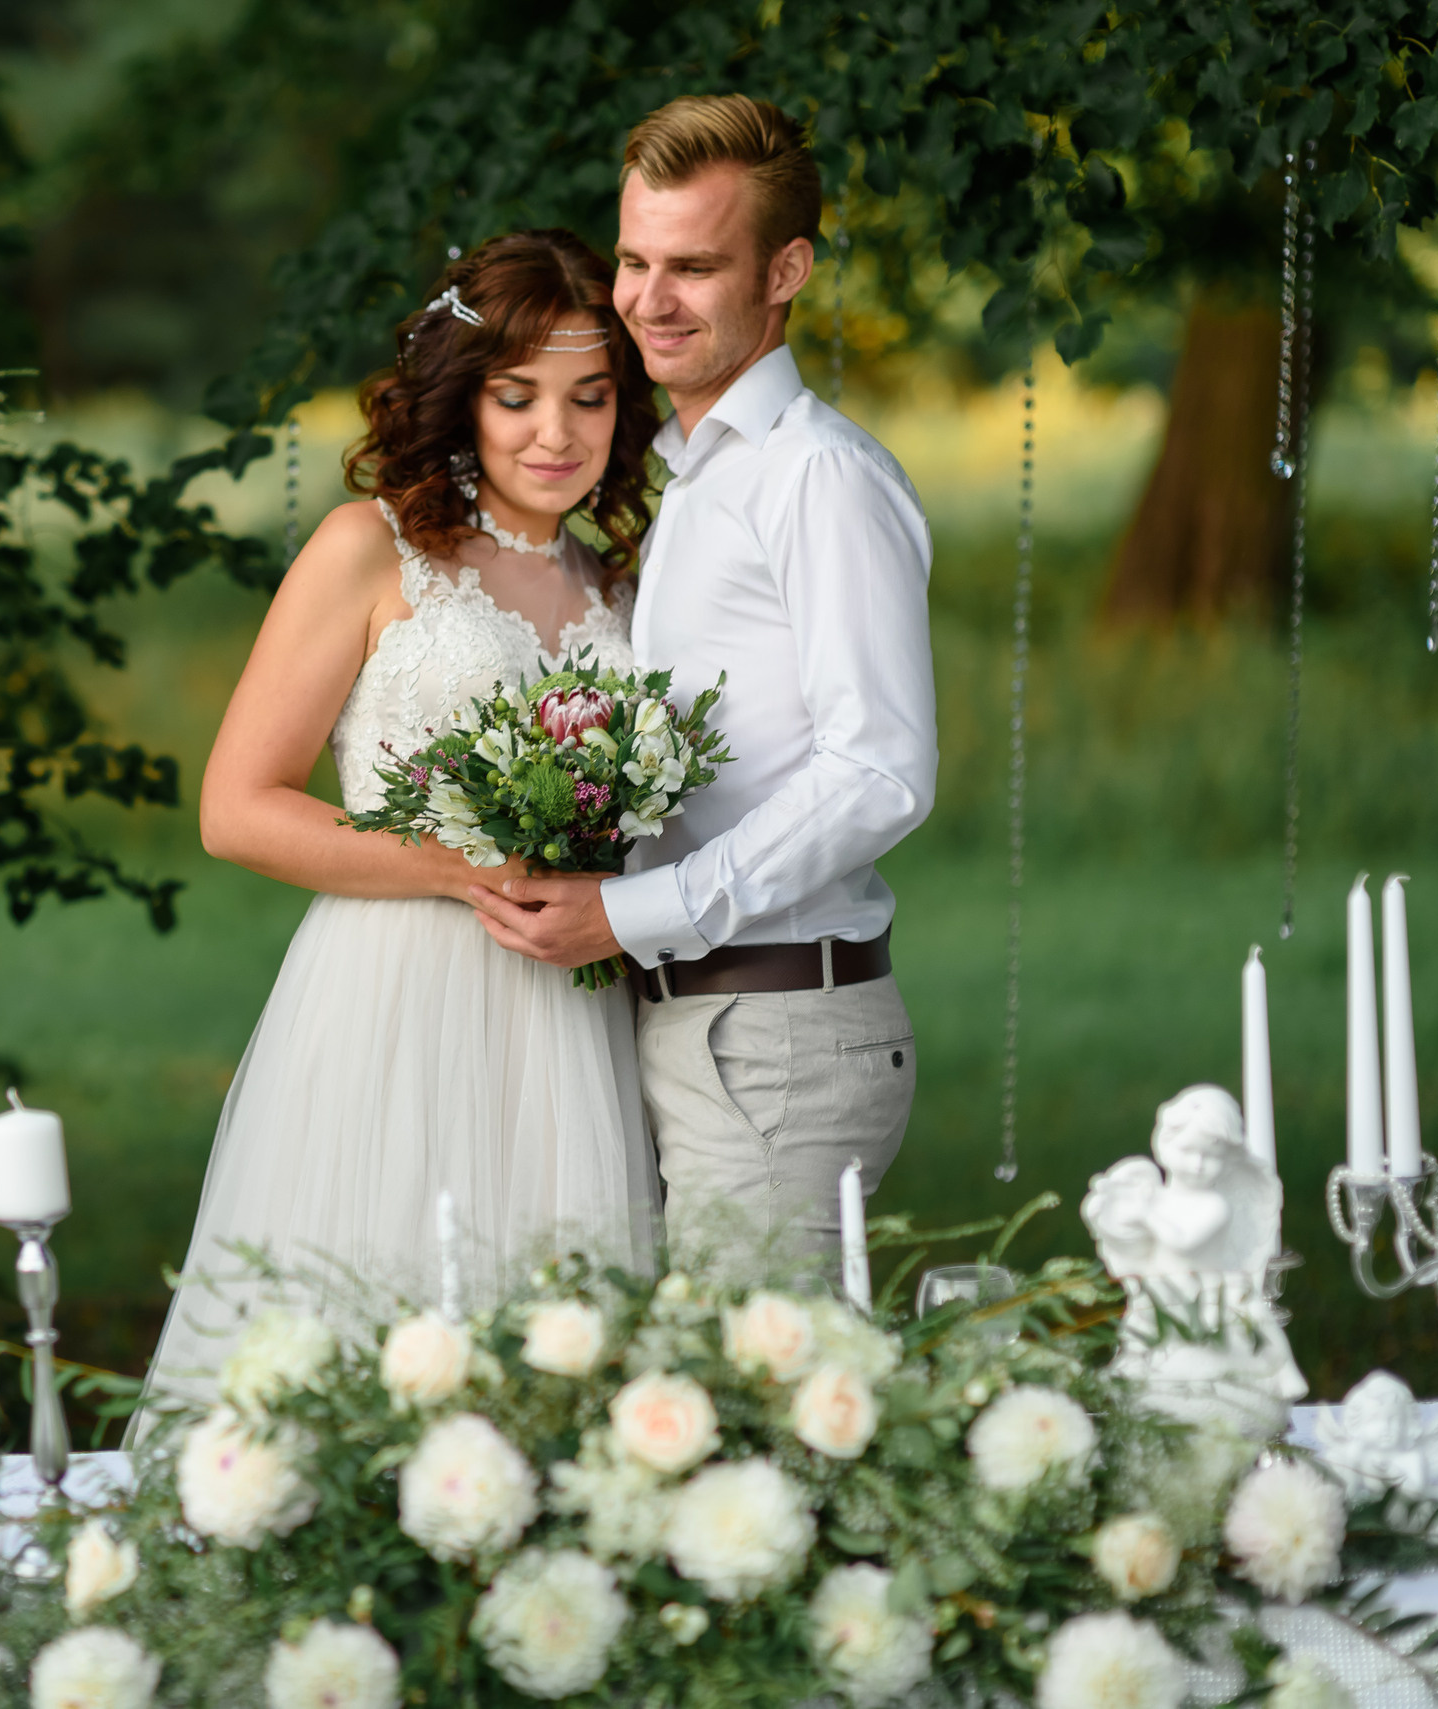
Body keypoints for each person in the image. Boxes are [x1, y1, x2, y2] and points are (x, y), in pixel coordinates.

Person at [145, 230, 663, 1398]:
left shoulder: (621, 588)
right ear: (462, 395)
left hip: (573, 1012)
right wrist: (455, 864)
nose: (555, 432)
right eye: (516, 396)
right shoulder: (369, 549)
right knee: (364, 1343)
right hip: (392, 992)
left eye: (589, 397)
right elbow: (235, 808)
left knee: (550, 1352)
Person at [468, 95, 938, 1264]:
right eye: (635, 260)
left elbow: (879, 769)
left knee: (754, 1378)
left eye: (694, 266)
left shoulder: (815, 476)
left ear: (785, 272)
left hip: (777, 1034)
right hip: (704, 1024)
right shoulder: (691, 474)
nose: (647, 298)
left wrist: (632, 913)